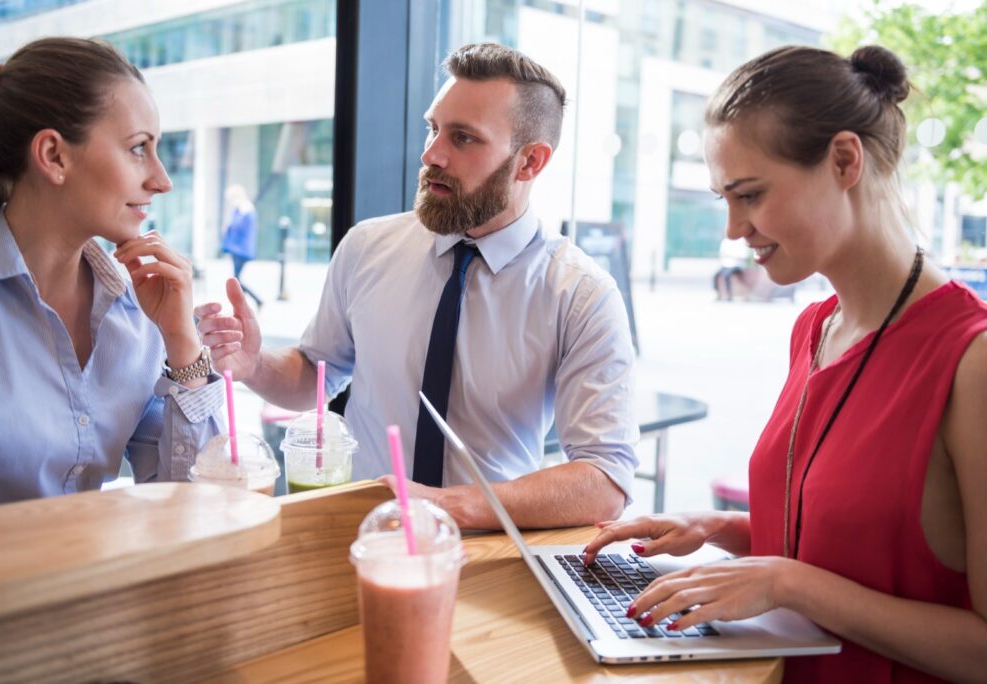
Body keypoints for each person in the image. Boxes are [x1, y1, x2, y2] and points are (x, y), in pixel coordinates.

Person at [583, 45, 987, 682]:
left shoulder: (971, 360)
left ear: (845, 161)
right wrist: (721, 528)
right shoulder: (814, 328)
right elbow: (849, 541)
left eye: (749, 195)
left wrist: (786, 583)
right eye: (724, 198)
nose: (732, 229)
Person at [197, 43, 638, 529]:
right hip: (360, 534)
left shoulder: (581, 295)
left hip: (489, 547)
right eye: (433, 129)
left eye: (464, 138)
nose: (432, 154)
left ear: (529, 162)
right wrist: (255, 363)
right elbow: (315, 377)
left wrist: (454, 506)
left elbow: (605, 480)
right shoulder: (367, 246)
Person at [0, 37, 225, 509]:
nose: (162, 180)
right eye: (138, 149)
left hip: (94, 580)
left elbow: (187, 503)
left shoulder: (135, 312)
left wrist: (182, 340)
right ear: (54, 156)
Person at [221, 184, 264, 309]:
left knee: (236, 281)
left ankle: (254, 301)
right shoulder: (240, 210)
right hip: (238, 250)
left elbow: (236, 227)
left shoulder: (245, 210)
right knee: (236, 280)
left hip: (241, 250)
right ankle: (249, 302)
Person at [713, 236, 748, 300]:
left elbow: (743, 256)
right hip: (725, 265)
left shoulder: (741, 241)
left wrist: (731, 256)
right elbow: (722, 254)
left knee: (727, 275)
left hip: (736, 265)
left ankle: (729, 295)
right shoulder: (725, 241)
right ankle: (718, 294)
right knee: (715, 275)